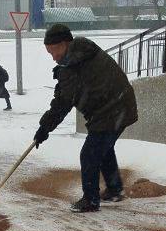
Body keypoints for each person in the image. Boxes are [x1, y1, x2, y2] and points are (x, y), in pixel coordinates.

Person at [34, 23, 138, 213]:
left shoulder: (72, 65)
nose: (53, 57)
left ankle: (90, 200)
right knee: (103, 149)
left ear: (65, 44)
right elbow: (66, 93)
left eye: (54, 51)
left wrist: (44, 128)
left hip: (111, 110)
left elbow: (62, 103)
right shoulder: (81, 53)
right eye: (50, 53)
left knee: (89, 154)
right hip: (119, 105)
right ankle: (114, 190)